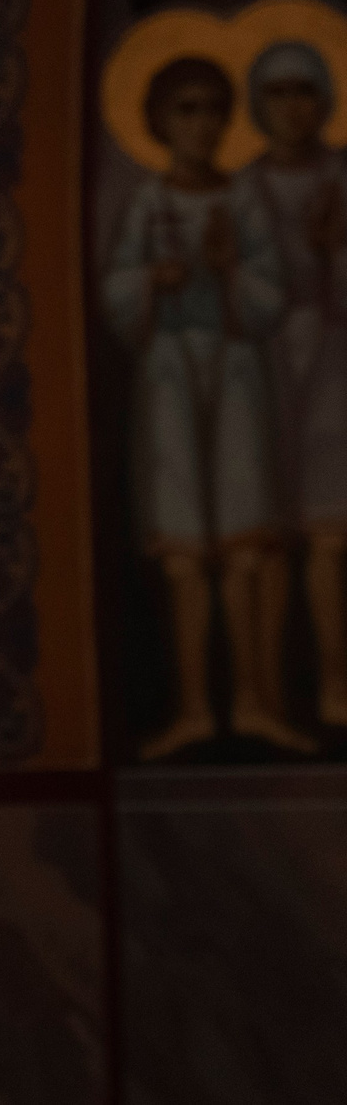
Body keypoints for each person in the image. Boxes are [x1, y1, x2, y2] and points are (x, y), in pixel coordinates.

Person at [103, 54, 301, 757]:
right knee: (185, 556)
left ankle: (252, 701)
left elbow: (273, 292)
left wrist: (226, 268)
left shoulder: (244, 202)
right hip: (169, 377)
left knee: (247, 549)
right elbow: (117, 294)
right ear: (158, 121)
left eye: (214, 108)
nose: (203, 123)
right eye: (187, 108)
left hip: (239, 370)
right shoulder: (147, 203)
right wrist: (154, 278)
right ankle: (192, 707)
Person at [242, 40, 347, 728]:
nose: (292, 107)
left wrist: (330, 252)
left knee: (331, 531)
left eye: (304, 91)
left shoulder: (342, 179)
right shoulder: (242, 188)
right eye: (277, 92)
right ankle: (269, 695)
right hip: (261, 365)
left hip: (336, 359)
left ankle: (336, 685)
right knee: (269, 537)